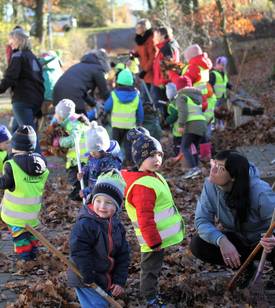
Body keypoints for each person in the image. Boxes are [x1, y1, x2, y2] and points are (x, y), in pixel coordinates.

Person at [190, 150, 275, 288]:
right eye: (214, 164)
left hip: (264, 242)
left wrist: (273, 238)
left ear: (233, 177)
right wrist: (222, 241)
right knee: (198, 244)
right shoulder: (210, 186)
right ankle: (246, 269)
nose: (213, 170)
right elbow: (201, 221)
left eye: (221, 168)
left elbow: (274, 220)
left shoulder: (260, 191)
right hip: (239, 240)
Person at [122, 128, 185, 307]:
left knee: (154, 267)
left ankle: (152, 293)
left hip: (157, 236)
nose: (157, 159)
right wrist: (153, 242)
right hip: (152, 239)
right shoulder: (143, 186)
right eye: (151, 155)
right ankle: (150, 297)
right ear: (140, 159)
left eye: (159, 154)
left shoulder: (150, 176)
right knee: (150, 269)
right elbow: (145, 217)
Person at [67, 170, 130, 308]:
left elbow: (123, 255)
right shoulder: (86, 224)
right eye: (98, 200)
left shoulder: (117, 227)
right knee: (97, 305)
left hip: (104, 278)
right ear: (92, 199)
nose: (102, 206)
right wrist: (87, 274)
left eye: (108, 203)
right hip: (85, 276)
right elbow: (79, 251)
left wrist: (119, 281)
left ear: (117, 206)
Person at [0, 126, 49, 261]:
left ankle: (26, 258)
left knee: (19, 236)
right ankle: (33, 251)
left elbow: (5, 184)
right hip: (33, 212)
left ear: (15, 146)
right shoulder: (42, 163)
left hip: (15, 213)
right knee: (30, 232)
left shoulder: (11, 165)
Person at [0, 29, 44, 153]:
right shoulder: (33, 57)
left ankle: (39, 165)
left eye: (11, 39)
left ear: (17, 40)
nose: (9, 43)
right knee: (16, 132)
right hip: (35, 100)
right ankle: (11, 162)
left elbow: (10, 77)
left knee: (29, 135)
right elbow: (40, 80)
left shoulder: (18, 56)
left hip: (22, 100)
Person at [104, 68, 144, 166]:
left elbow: (106, 107)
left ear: (118, 82)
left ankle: (115, 164)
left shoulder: (114, 95)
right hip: (130, 126)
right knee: (128, 146)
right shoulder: (136, 96)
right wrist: (140, 122)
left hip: (117, 125)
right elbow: (140, 112)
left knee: (115, 145)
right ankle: (129, 164)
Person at [52, 99, 89, 201]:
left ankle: (80, 196)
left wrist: (60, 141)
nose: (55, 116)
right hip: (80, 159)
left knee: (75, 179)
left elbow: (74, 140)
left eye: (57, 114)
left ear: (62, 115)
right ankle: (80, 194)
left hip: (80, 160)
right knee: (77, 179)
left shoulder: (73, 124)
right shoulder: (74, 119)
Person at [53, 49, 110, 114]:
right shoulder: (97, 69)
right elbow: (105, 92)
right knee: (81, 122)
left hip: (57, 95)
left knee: (62, 121)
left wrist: (94, 104)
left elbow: (81, 90)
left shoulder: (79, 66)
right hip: (73, 98)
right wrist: (112, 103)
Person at [78, 121, 122, 199]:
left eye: (95, 151)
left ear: (104, 148)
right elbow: (89, 164)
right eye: (91, 151)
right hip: (94, 191)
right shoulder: (94, 156)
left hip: (104, 194)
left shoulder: (110, 161)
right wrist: (84, 171)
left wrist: (88, 191)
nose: (92, 154)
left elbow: (104, 182)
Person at [176, 87, 207, 179]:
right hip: (201, 124)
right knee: (193, 147)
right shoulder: (197, 98)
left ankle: (193, 169)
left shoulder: (182, 97)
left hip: (192, 124)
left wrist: (181, 125)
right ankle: (196, 168)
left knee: (185, 147)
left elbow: (183, 112)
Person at [152, 26, 180, 121]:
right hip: (160, 83)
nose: (155, 37)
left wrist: (163, 82)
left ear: (163, 35)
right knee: (161, 107)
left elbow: (170, 67)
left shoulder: (168, 48)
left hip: (164, 85)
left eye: (157, 34)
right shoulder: (164, 47)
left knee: (164, 108)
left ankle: (166, 128)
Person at [134, 18, 156, 102]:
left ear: (144, 28)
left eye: (139, 27)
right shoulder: (140, 39)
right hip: (145, 72)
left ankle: (155, 114)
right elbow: (139, 50)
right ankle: (145, 113)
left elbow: (152, 58)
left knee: (152, 97)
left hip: (152, 72)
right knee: (144, 96)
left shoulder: (151, 40)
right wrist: (135, 53)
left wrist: (145, 71)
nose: (137, 29)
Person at [209, 56, 232, 130]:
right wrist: (213, 93)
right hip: (215, 97)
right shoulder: (213, 74)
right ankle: (214, 125)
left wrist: (230, 86)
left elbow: (225, 83)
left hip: (222, 96)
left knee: (221, 112)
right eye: (221, 65)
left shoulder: (223, 74)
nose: (222, 67)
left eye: (224, 65)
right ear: (217, 64)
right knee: (215, 111)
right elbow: (210, 85)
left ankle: (220, 124)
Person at [165, 82, 182, 157]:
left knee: (177, 145)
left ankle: (178, 157)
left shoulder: (172, 105)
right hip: (187, 127)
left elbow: (174, 115)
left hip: (178, 130)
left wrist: (167, 120)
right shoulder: (180, 99)